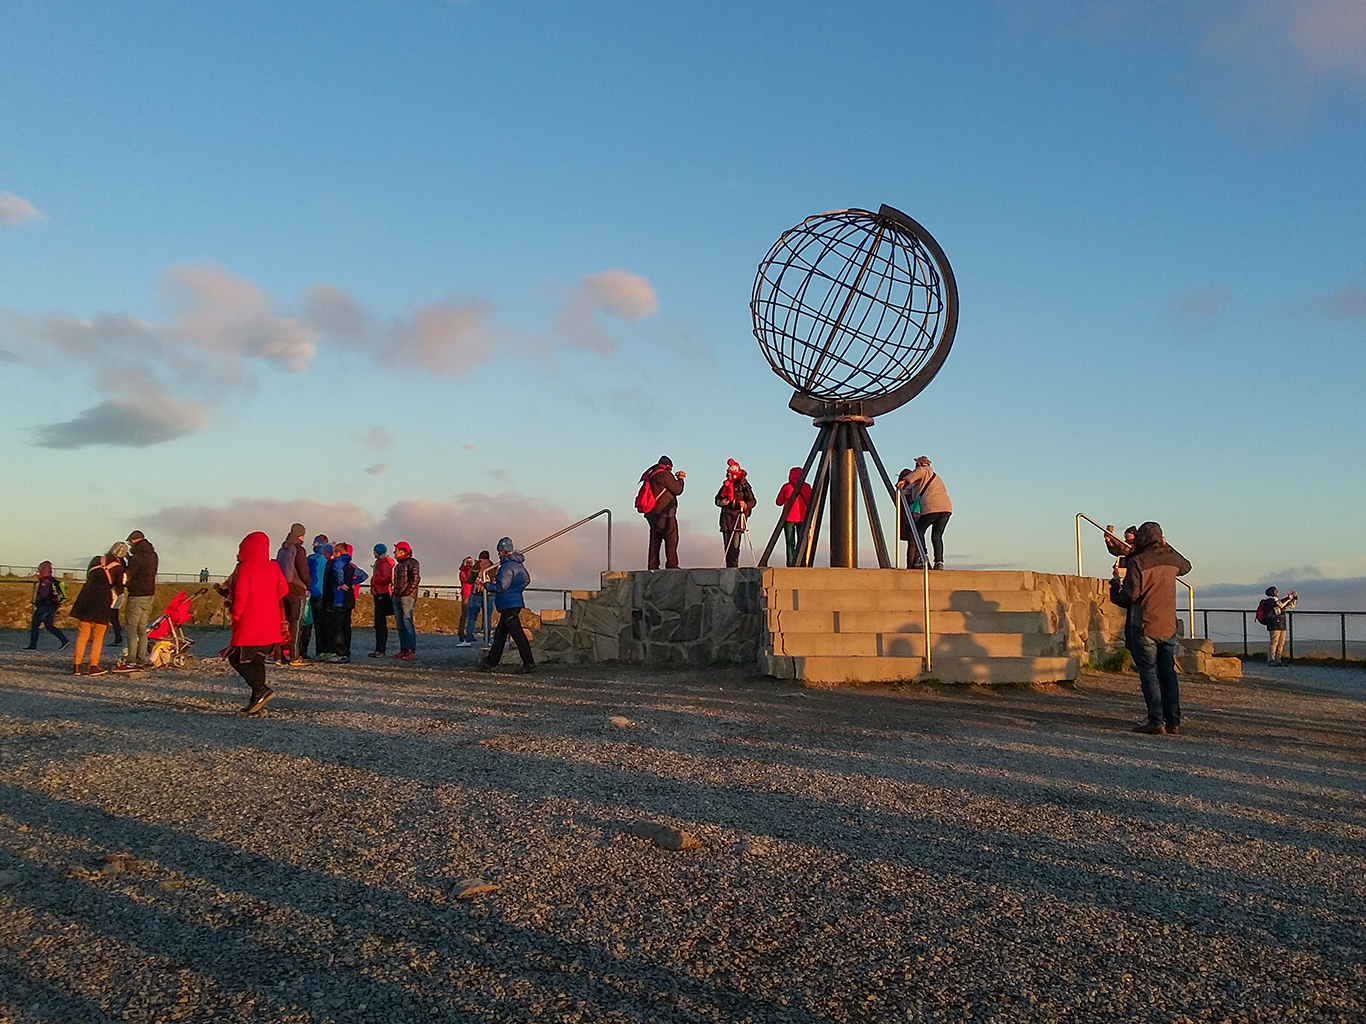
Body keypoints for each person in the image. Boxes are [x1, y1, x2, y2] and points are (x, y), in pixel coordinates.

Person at [1109, 521, 1192, 735]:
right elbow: (1187, 566)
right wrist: (1167, 546)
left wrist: (1116, 582)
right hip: (1168, 625)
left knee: (1149, 674)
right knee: (1168, 673)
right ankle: (1173, 720)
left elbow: (1129, 597)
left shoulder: (1138, 562)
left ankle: (1156, 720)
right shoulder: (1172, 559)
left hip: (1144, 625)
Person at [223, 531, 289, 714]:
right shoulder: (273, 567)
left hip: (250, 622)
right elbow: (284, 589)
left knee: (236, 658)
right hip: (270, 622)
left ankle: (261, 690)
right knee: (257, 659)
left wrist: (236, 613)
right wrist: (268, 598)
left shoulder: (246, 567)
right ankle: (256, 701)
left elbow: (241, 594)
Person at [479, 537, 535, 673]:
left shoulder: (506, 567)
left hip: (508, 603)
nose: (498, 554)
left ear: (504, 551)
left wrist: (486, 585)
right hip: (515, 602)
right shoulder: (519, 565)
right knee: (500, 634)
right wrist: (517, 589)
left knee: (517, 634)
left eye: (499, 551)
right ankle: (491, 661)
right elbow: (527, 580)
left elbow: (501, 586)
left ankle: (529, 662)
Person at [70, 548, 124, 676]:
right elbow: (119, 588)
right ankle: (93, 665)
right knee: (98, 636)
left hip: (86, 597)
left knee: (83, 634)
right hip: (102, 601)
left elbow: (89, 576)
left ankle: (76, 666)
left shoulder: (96, 560)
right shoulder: (117, 568)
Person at [896, 457, 952, 569]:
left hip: (932, 507)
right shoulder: (934, 477)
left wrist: (904, 481)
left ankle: (923, 556)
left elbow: (918, 473)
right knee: (937, 536)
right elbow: (912, 489)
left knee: (918, 530)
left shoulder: (924, 470)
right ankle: (939, 562)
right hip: (946, 508)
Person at [118, 530, 158, 671]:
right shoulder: (153, 555)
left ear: (134, 541)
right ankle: (141, 659)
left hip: (136, 595)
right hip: (149, 595)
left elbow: (129, 576)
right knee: (142, 629)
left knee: (131, 629)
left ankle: (131, 661)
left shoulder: (137, 557)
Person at [640, 455, 686, 570]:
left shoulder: (650, 475)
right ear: (668, 466)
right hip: (665, 514)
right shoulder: (664, 475)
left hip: (651, 513)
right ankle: (672, 565)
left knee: (655, 540)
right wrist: (680, 480)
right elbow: (677, 490)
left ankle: (653, 565)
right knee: (671, 539)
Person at [276, 523, 311, 664]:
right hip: (296, 589)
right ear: (301, 535)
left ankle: (279, 655)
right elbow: (303, 571)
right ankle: (294, 655)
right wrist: (307, 585)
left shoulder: (282, 550)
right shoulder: (299, 550)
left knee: (283, 622)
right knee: (296, 623)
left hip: (282, 588)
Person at [328, 542, 368, 663]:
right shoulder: (350, 565)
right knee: (346, 627)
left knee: (338, 627)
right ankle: (346, 652)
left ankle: (340, 652)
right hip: (349, 599)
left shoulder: (338, 563)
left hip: (339, 599)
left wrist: (341, 583)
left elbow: (338, 572)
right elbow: (363, 575)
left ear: (338, 553)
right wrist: (352, 583)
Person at [714, 459, 756, 568]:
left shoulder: (744, 486)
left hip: (738, 519)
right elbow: (716, 499)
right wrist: (721, 502)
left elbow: (752, 501)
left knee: (735, 545)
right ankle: (730, 566)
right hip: (726, 519)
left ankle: (733, 566)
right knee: (727, 545)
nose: (727, 476)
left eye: (729, 474)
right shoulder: (725, 486)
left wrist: (745, 505)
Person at [24, 561, 69, 651]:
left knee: (35, 624)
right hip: (52, 606)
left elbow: (43, 595)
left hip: (44, 606)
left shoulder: (45, 582)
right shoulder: (52, 581)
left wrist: (38, 602)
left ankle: (33, 645)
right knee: (49, 626)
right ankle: (64, 641)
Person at [775, 467, 812, 567]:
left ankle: (791, 563)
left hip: (788, 519)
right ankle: (802, 561)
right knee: (803, 541)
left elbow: (778, 502)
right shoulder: (806, 487)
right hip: (803, 518)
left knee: (790, 542)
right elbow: (811, 501)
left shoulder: (786, 487)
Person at [392, 541, 420, 660]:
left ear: (403, 551)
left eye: (396, 550)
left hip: (406, 597)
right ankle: (403, 649)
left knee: (407, 622)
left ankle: (410, 650)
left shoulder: (412, 563)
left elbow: (415, 578)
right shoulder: (399, 565)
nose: (394, 552)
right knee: (400, 624)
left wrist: (407, 592)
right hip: (398, 595)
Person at [302, 535, 329, 658]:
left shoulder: (311, 559)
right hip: (326, 595)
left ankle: (303, 651)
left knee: (307, 624)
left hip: (312, 594)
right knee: (322, 626)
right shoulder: (329, 559)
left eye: (314, 542)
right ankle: (321, 651)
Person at [1258, 587, 1299, 666]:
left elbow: (1289, 605)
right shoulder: (1269, 602)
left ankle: (1278, 659)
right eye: (1276, 591)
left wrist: (1294, 598)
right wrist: (1288, 598)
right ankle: (1271, 659)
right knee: (1274, 642)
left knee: (1280, 642)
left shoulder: (1276, 602)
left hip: (1281, 624)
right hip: (1274, 624)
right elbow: (1280, 605)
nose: (1277, 593)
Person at [462, 550, 493, 646]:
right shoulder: (493, 566)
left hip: (476, 594)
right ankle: (487, 640)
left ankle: (468, 640)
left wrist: (475, 571)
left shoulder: (476, 566)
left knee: (472, 617)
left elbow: (469, 580)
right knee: (487, 617)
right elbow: (495, 578)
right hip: (489, 594)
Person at [370, 543, 396, 657]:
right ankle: (379, 649)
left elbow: (387, 578)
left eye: (375, 551)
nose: (374, 553)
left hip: (382, 594)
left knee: (380, 623)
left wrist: (376, 581)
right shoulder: (381, 563)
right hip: (378, 593)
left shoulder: (384, 564)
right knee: (378, 623)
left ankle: (381, 649)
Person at [107, 542, 129, 649]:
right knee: (113, 616)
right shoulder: (123, 563)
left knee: (109, 615)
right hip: (119, 592)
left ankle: (117, 637)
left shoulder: (112, 562)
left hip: (113, 591)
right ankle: (118, 637)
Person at [457, 555, 476, 644]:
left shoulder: (470, 571)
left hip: (471, 593)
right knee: (465, 614)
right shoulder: (463, 572)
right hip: (466, 594)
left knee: (470, 614)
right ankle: (461, 632)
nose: (470, 564)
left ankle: (469, 632)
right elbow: (467, 579)